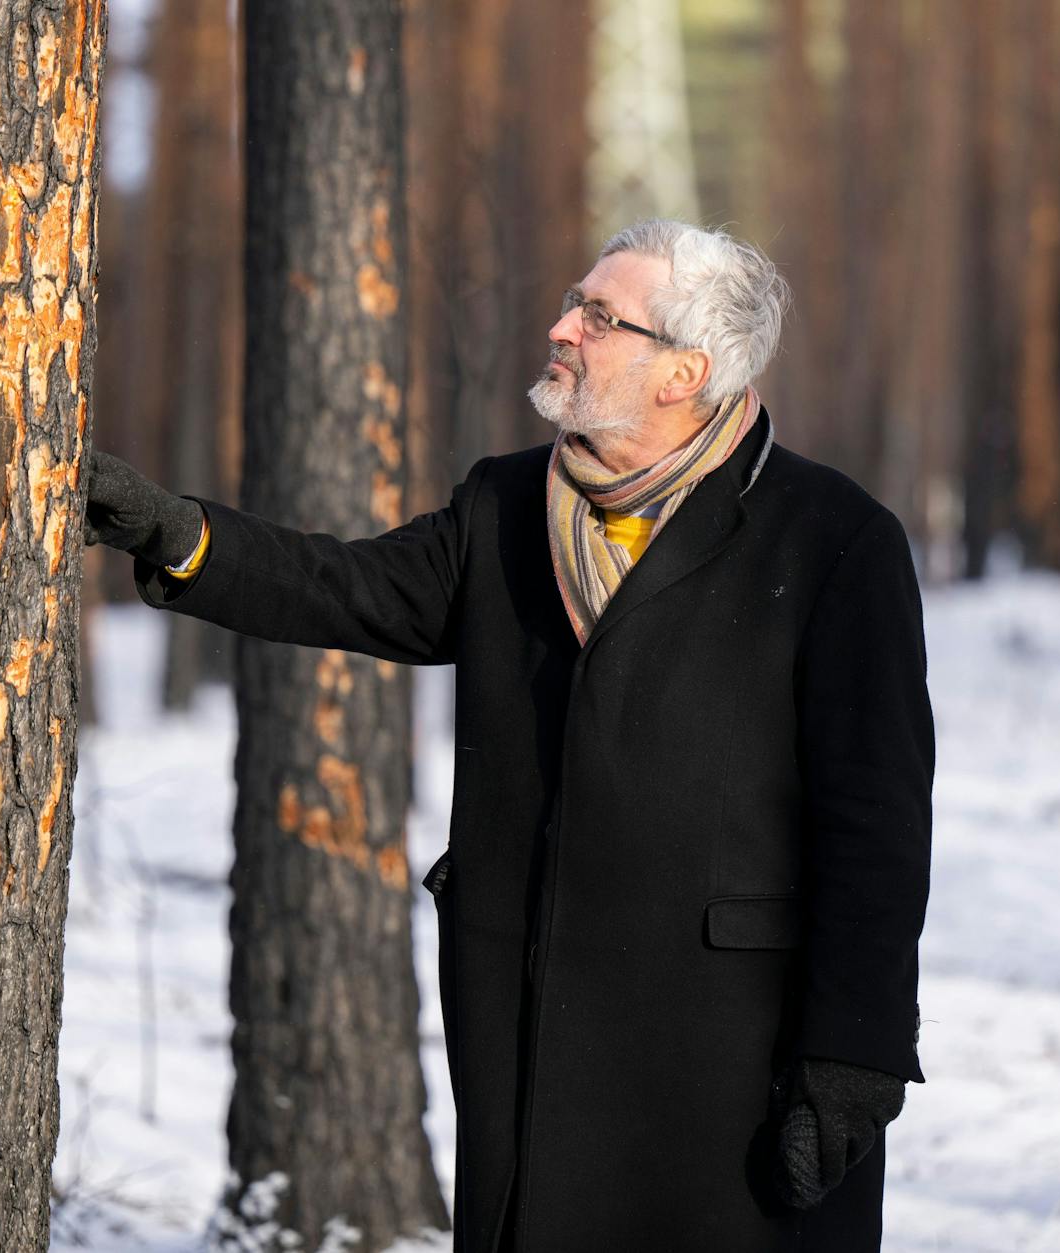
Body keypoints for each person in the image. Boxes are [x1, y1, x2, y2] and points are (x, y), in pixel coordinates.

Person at [85, 219, 935, 1252]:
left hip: (729, 1045)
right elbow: (348, 588)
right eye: (572, 302)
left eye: (597, 315)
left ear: (684, 371)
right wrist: (180, 535)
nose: (560, 327)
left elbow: (875, 818)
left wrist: (855, 1051)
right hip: (531, 1017)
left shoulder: (832, 537)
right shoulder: (503, 505)